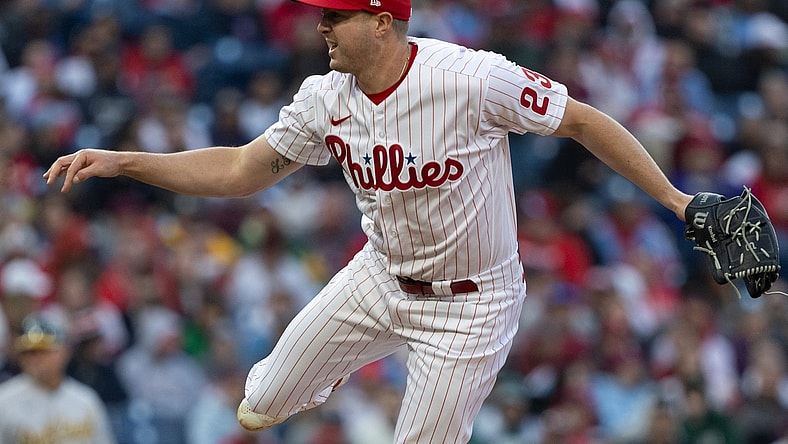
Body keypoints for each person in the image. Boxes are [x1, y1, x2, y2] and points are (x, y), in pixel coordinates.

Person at [43, 0, 697, 442]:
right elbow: (240, 171)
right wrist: (128, 161)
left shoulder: (473, 80)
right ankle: (303, 386)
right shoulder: (326, 99)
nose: (322, 26)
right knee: (259, 401)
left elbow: (581, 120)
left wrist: (675, 200)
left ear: (382, 21)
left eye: (337, 15)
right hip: (380, 277)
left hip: (470, 307)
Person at [0, 313, 117, 444]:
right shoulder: (4, 401)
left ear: (64, 352)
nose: (34, 359)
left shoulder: (85, 399)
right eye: (28, 353)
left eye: (43, 351)